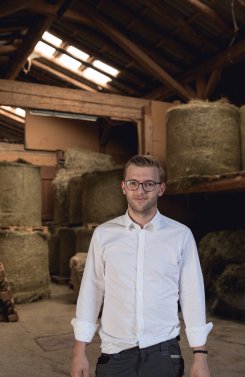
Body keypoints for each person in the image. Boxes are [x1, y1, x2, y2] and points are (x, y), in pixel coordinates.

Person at [71, 154, 213, 377]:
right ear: (123, 187)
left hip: (163, 352)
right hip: (115, 353)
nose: (140, 190)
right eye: (133, 183)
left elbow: (192, 296)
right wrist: (79, 352)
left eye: (149, 184)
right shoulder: (103, 235)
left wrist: (200, 355)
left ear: (161, 189)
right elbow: (91, 292)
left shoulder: (180, 236)